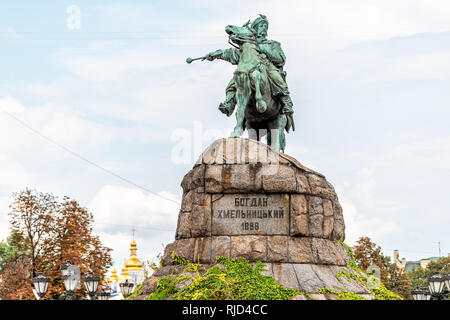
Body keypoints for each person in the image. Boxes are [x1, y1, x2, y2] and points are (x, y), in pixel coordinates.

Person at [205, 15, 294, 131]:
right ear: (255, 28)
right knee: (234, 82)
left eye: (265, 26)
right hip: (247, 69)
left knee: (276, 77)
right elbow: (232, 54)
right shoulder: (247, 46)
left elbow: (280, 58)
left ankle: (286, 102)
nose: (263, 28)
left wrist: (263, 49)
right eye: (261, 26)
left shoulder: (272, 44)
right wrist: (216, 54)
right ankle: (229, 103)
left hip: (267, 67)